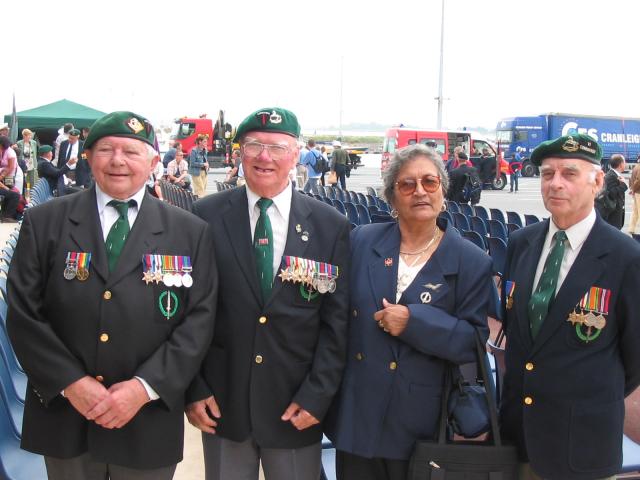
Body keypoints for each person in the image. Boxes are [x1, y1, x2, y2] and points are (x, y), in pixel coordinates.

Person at [6, 111, 217, 480]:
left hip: (146, 417)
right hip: (65, 415)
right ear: (87, 157)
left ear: (153, 161)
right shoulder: (46, 222)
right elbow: (24, 312)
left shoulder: (190, 231)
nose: (118, 160)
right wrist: (71, 383)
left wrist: (142, 388)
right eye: (106, 149)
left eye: (131, 152)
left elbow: (199, 320)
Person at [185, 107, 350, 480]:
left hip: (295, 406)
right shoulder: (204, 216)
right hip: (222, 405)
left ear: (296, 154)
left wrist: (318, 396)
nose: (264, 157)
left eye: (277, 147)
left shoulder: (330, 227)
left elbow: (336, 323)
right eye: (254, 146)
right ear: (238, 153)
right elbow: (190, 312)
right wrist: (193, 388)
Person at [326, 143, 493, 480]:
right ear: (392, 196)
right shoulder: (362, 240)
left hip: (420, 422)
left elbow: (472, 341)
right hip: (359, 414)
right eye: (407, 184)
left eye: (430, 182)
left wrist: (414, 322)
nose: (420, 191)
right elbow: (336, 320)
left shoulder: (470, 260)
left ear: (443, 191)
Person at [499, 133, 640, 480]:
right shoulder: (521, 243)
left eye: (569, 174)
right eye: (548, 174)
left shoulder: (625, 257)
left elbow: (634, 360)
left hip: (582, 446)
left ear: (597, 181)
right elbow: (516, 331)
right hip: (518, 437)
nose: (555, 184)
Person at [598, 153, 627, 229]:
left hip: (616, 213)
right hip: (612, 214)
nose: (625, 164)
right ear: (620, 164)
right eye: (624, 162)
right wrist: (624, 185)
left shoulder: (615, 175)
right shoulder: (611, 176)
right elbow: (611, 194)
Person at [628, 159, 640, 234]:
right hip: (638, 191)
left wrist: (632, 188)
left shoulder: (636, 167)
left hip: (636, 192)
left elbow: (630, 179)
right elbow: (638, 180)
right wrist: (633, 189)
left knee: (635, 211)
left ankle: (631, 228)